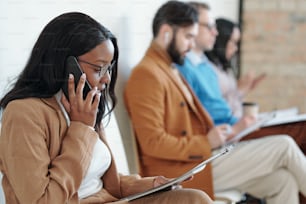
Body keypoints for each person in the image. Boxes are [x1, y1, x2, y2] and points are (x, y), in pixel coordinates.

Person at [0, 12, 213, 204]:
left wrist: (152, 184)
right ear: (65, 63)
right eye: (99, 68)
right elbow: (42, 201)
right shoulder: (24, 113)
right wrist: (81, 129)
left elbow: (107, 184)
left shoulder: (85, 105)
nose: (106, 79)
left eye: (109, 68)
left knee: (193, 199)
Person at [124, 1, 306, 203]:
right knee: (285, 145)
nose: (192, 45)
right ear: (166, 31)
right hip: (182, 171)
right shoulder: (147, 74)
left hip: (200, 159)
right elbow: (153, 143)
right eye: (188, 37)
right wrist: (206, 142)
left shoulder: (167, 69)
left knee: (282, 181)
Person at [176, 3, 306, 158]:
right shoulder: (183, 68)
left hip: (237, 125)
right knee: (297, 133)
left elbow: (222, 107)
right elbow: (203, 121)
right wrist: (237, 126)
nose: (215, 32)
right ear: (192, 28)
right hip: (229, 135)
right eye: (209, 26)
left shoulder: (206, 67)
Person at [205, 18, 266, 118]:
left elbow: (233, 101)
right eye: (232, 42)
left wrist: (245, 88)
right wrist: (239, 90)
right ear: (221, 41)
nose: (235, 48)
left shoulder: (223, 68)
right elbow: (218, 109)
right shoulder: (208, 69)